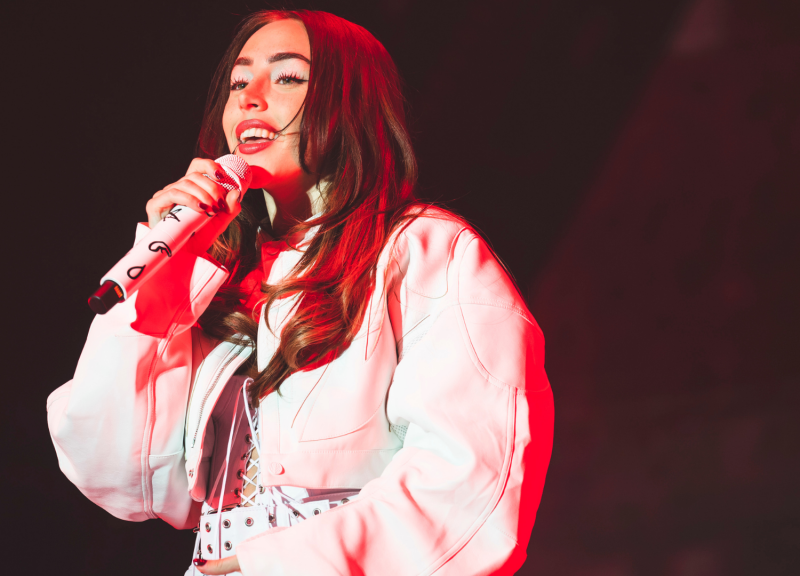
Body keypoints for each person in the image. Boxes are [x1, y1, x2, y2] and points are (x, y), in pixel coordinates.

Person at [47, 9, 553, 576]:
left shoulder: (426, 250)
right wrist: (162, 288)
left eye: (287, 77)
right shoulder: (217, 280)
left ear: (350, 105)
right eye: (238, 82)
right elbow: (111, 471)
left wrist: (273, 563)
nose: (250, 98)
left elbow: (471, 477)